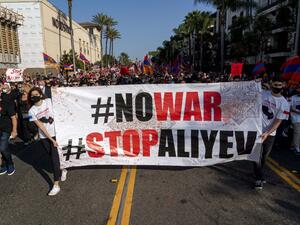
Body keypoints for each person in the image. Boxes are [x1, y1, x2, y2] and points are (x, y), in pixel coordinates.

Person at [28, 87, 67, 196]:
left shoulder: (49, 101)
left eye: (36, 94)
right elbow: (40, 126)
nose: (34, 96)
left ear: (40, 94)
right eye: (32, 95)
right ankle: (63, 169)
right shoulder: (31, 111)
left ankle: (56, 185)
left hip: (57, 133)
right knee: (52, 157)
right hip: (45, 136)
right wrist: (50, 139)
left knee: (54, 159)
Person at [254, 76, 290, 190]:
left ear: (283, 86)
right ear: (271, 84)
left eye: (279, 85)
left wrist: (267, 133)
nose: (277, 87)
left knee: (264, 157)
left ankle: (258, 172)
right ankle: (259, 178)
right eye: (275, 85)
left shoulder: (284, 103)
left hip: (270, 134)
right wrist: (254, 83)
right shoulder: (263, 94)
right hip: (256, 130)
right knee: (256, 155)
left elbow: (278, 122)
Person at [0, 83, 18, 175]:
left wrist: (14, 130)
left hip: (5, 128)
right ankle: (3, 165)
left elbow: (13, 117)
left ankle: (10, 164)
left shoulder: (6, 100)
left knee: (3, 147)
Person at [290, 85, 300, 154]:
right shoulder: (293, 98)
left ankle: (293, 145)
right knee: (297, 133)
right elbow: (289, 108)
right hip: (295, 118)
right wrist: (298, 112)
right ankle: (296, 148)